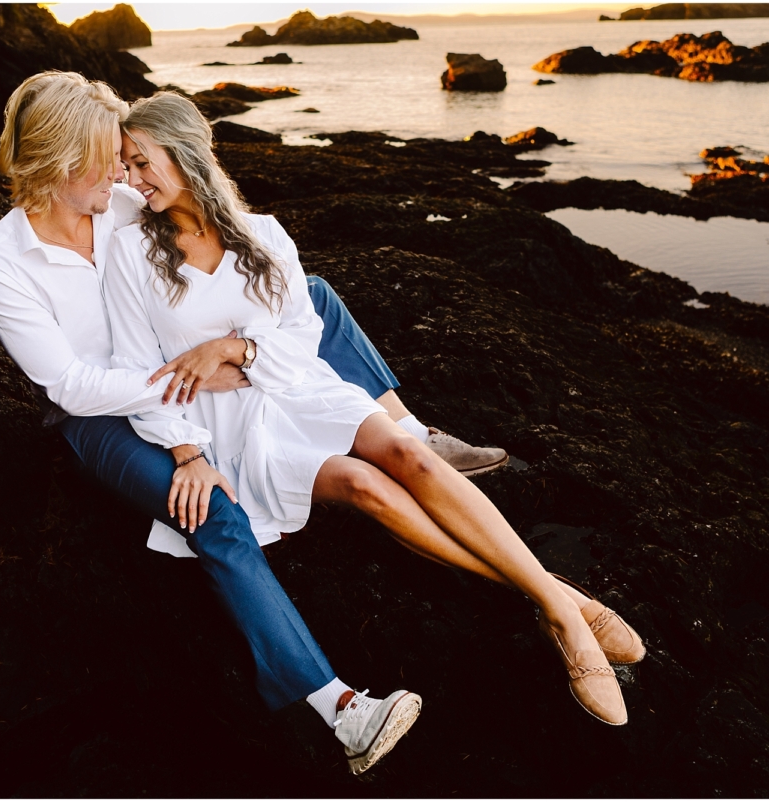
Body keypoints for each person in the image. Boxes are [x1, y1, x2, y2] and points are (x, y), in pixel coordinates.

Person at [0, 70, 486, 775]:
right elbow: (71, 383)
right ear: (61, 161)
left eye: (128, 157)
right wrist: (193, 419)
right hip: (98, 417)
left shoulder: (123, 205)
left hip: (181, 376)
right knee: (214, 513)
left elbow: (227, 242)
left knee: (313, 295)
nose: (123, 169)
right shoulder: (1, 260)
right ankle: (340, 710)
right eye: (106, 155)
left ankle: (414, 431)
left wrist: (239, 354)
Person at [104, 92, 646, 729]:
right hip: (230, 429)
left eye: (143, 163)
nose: (132, 181)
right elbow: (142, 370)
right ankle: (563, 599)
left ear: (188, 154)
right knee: (366, 486)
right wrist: (189, 441)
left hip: (300, 391)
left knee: (407, 452)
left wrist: (236, 349)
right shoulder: (131, 251)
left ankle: (561, 618)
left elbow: (301, 340)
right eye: (126, 166)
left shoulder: (265, 235)